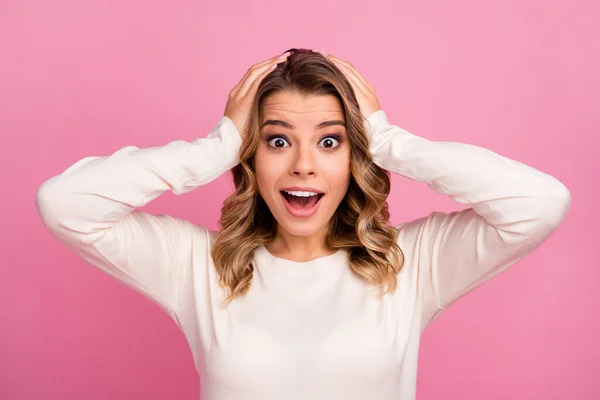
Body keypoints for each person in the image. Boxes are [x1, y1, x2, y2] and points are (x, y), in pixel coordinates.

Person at [35, 48, 571, 400]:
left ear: (352, 156)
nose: (304, 164)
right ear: (252, 155)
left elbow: (540, 203)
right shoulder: (197, 268)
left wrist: (387, 141)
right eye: (277, 139)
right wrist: (214, 147)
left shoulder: (409, 266)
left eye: (330, 140)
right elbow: (65, 203)